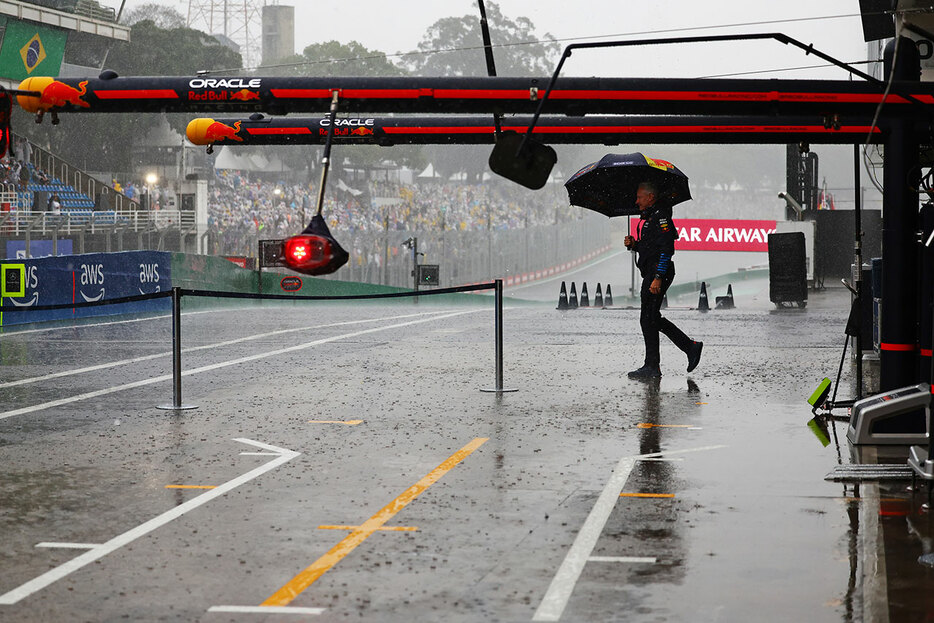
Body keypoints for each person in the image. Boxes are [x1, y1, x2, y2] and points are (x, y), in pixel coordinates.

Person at [624, 181, 703, 379]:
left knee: (649, 318)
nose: (637, 201)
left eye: (640, 197)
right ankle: (682, 350)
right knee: (649, 319)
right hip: (651, 272)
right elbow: (651, 247)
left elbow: (667, 250)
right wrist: (635, 244)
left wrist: (658, 277)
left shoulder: (661, 217)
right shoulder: (650, 216)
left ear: (650, 197)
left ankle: (656, 364)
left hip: (659, 273)